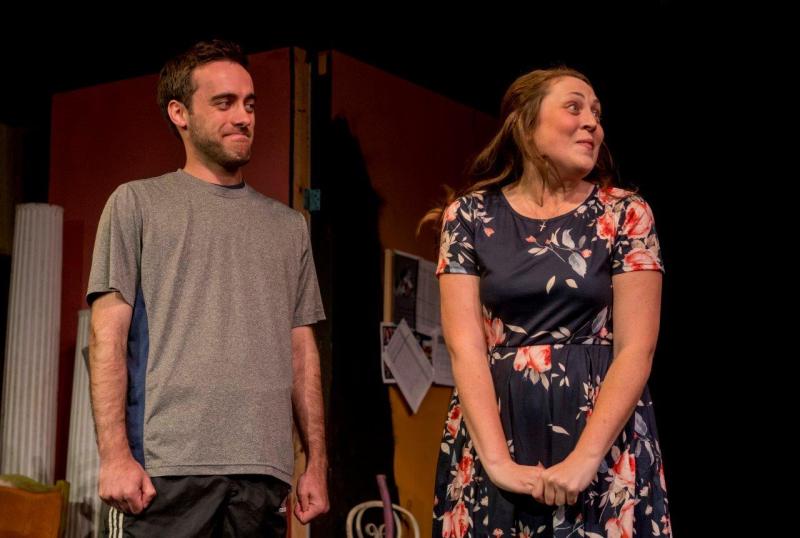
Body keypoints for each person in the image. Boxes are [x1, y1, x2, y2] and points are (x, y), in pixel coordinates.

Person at [87, 39, 328, 537]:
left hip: (264, 472)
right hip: (167, 471)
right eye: (224, 103)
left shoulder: (289, 227)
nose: (243, 117)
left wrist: (317, 463)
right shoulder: (137, 205)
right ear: (179, 112)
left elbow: (302, 351)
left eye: (250, 103)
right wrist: (114, 456)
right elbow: (107, 338)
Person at [428, 67, 671, 537]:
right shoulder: (471, 216)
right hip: (497, 427)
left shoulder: (624, 213)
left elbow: (636, 348)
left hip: (601, 436)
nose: (592, 124)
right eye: (574, 107)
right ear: (526, 124)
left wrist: (585, 459)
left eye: (597, 114)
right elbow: (465, 346)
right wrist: (498, 463)